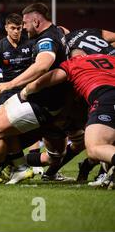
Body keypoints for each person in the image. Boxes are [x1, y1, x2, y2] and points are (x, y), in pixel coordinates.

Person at [0, 3, 70, 185]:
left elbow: (42, 65)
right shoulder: (57, 31)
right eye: (16, 27)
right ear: (6, 28)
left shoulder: (43, 40)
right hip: (32, 95)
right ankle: (19, 167)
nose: (22, 29)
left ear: (35, 21)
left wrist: (10, 84)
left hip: (40, 100)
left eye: (24, 24)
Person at [21, 50, 115, 189]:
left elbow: (45, 80)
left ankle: (11, 161)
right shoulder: (109, 57)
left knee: (95, 148)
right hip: (88, 110)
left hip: (105, 97)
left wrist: (25, 91)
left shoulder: (73, 63)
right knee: (96, 145)